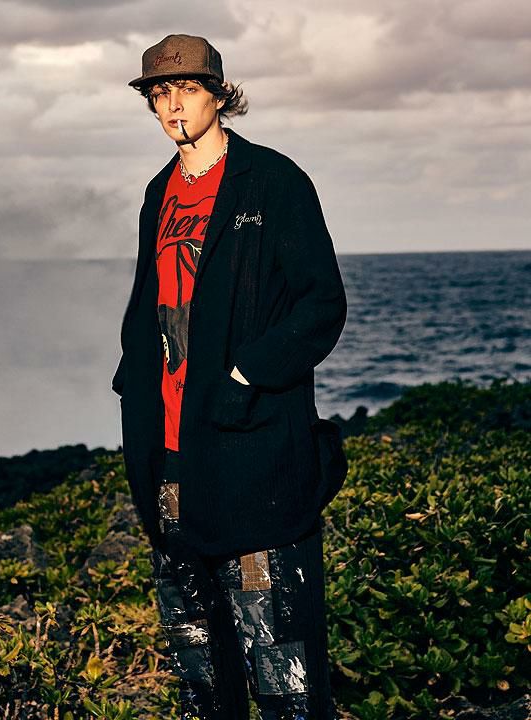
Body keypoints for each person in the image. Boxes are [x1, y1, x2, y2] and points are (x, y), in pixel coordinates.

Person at [113, 33, 347, 720]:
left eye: (186, 89)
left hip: (252, 461)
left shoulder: (273, 181)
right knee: (201, 677)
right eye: (159, 92)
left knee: (283, 670)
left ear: (218, 94)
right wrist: (134, 385)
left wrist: (245, 376)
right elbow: (153, 305)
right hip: (171, 465)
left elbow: (321, 303)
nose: (172, 105)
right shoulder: (158, 192)